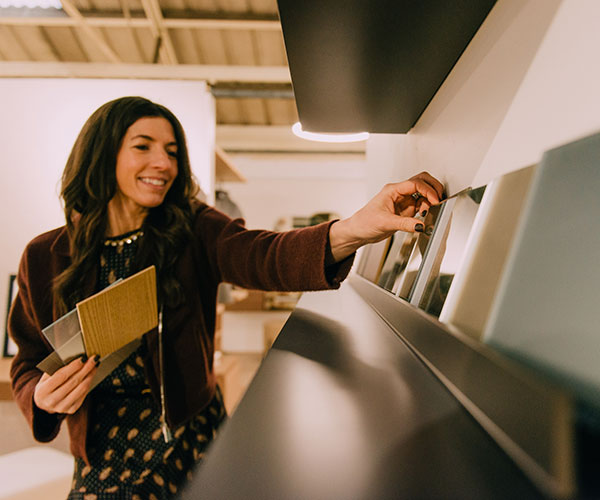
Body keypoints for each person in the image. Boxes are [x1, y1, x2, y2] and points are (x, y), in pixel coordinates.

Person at [8, 96, 443, 499]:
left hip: (190, 436)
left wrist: (354, 229)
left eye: (173, 151)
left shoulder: (193, 228)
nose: (164, 162)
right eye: (143, 146)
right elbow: (27, 364)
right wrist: (41, 398)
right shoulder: (44, 256)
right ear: (102, 156)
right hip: (102, 452)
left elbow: (265, 255)